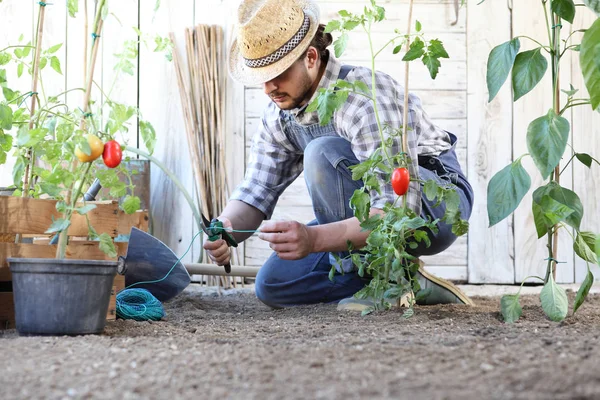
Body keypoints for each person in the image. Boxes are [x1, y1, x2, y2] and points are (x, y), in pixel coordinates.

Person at [204, 0, 475, 310]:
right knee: (273, 286)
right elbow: (256, 191)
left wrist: (314, 239)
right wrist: (225, 228)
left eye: (277, 74)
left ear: (310, 57)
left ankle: (390, 277)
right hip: (371, 213)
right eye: (261, 77)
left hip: (434, 202)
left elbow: (399, 208)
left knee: (321, 152)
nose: (269, 88)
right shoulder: (280, 114)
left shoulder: (362, 99)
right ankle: (408, 281)